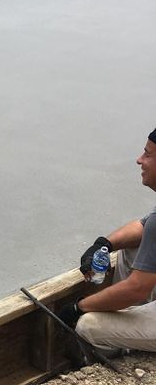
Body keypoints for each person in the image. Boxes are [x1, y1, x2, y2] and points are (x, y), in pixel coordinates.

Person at [60, 128, 156, 354]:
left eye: (148, 155)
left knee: (88, 325)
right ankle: (127, 315)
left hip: (138, 293)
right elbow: (143, 227)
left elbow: (137, 289)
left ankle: (116, 348)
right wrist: (103, 244)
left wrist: (78, 307)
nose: (139, 160)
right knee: (130, 248)